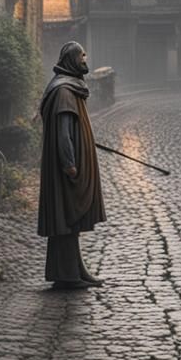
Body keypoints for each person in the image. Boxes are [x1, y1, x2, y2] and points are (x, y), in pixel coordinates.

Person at [38, 41, 106, 289]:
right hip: (65, 170)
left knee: (70, 222)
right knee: (66, 218)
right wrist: (70, 165)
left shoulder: (68, 88)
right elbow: (63, 134)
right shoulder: (64, 91)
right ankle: (67, 275)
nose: (85, 60)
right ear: (71, 60)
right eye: (81, 56)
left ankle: (76, 270)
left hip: (67, 167)